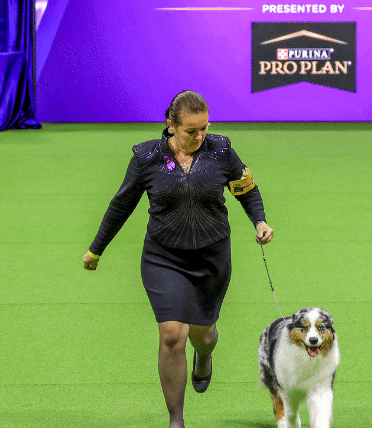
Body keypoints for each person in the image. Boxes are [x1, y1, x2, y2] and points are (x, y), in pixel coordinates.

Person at [82, 90, 274, 428]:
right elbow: (121, 204)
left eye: (204, 128)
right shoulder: (147, 157)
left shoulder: (222, 150)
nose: (200, 136)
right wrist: (96, 249)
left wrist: (259, 219)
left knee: (205, 334)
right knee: (172, 334)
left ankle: (203, 356)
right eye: (191, 130)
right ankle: (176, 420)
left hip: (212, 256)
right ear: (171, 125)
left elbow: (247, 189)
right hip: (163, 256)